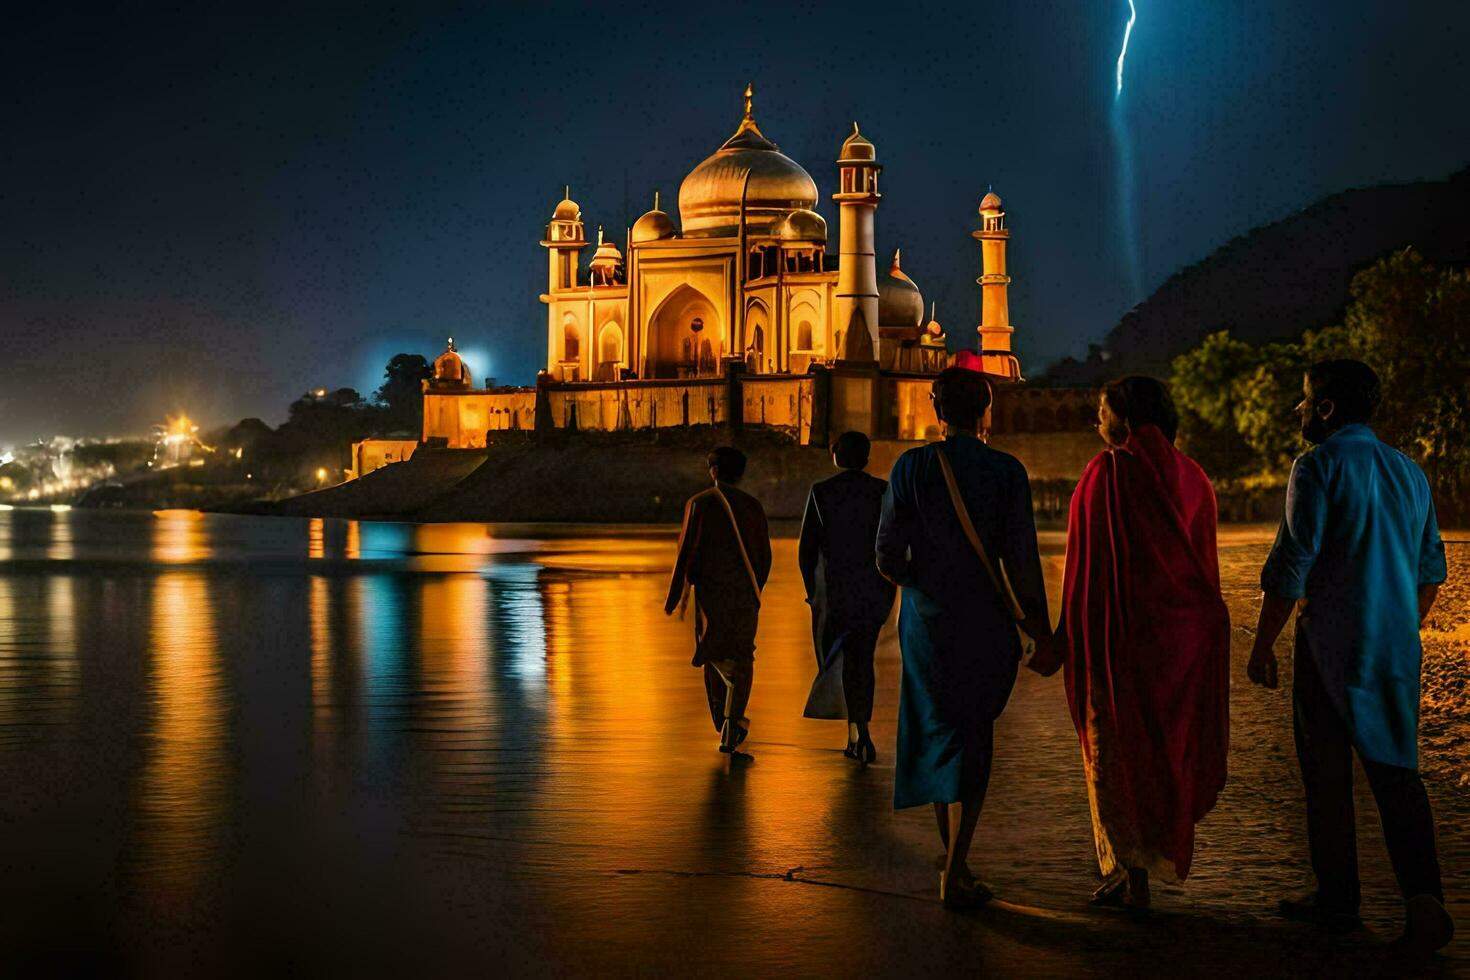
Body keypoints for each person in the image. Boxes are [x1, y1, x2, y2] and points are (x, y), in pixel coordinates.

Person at [1248, 359, 1452, 954]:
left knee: (1326, 777)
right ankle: (1424, 898)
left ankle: (1338, 900)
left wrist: (1264, 644)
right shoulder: (1408, 471)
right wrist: (1397, 622)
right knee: (1397, 775)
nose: (1301, 411)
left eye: (1306, 401)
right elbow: (1430, 569)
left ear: (1328, 409)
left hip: (1329, 648)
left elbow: (1291, 564)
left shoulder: (1316, 466)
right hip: (1393, 649)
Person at [1028, 377, 1230, 910]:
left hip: (1116, 644)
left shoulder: (1109, 472)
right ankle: (1151, 855)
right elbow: (1202, 569)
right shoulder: (1194, 477)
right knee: (1164, 751)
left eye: (1102, 411)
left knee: (1116, 753)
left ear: (1124, 418)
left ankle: (1130, 873)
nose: (1097, 421)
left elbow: (1086, 574)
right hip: (1180, 644)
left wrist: (1061, 639)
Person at [876, 367, 1051, 909]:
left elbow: (885, 555)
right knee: (974, 733)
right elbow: (1021, 561)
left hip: (927, 623)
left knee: (938, 729)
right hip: (984, 620)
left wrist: (921, 583)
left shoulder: (910, 467)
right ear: (986, 411)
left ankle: (955, 858)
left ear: (935, 409)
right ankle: (957, 868)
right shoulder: (1005, 471)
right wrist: (1041, 632)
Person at [665, 446, 773, 760]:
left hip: (710, 597)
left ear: (713, 470)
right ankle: (731, 725)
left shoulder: (699, 504)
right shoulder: (753, 506)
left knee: (712, 653)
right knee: (743, 656)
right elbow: (764, 556)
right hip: (746, 596)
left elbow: (686, 552)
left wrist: (675, 597)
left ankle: (725, 722)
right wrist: (756, 590)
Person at [797, 431, 897, 763]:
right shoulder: (882, 491)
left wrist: (812, 591)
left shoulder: (822, 492)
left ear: (837, 455)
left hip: (835, 592)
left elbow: (807, 549)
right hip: (872, 590)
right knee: (862, 660)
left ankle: (854, 731)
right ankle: (861, 729)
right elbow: (892, 542)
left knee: (836, 659)